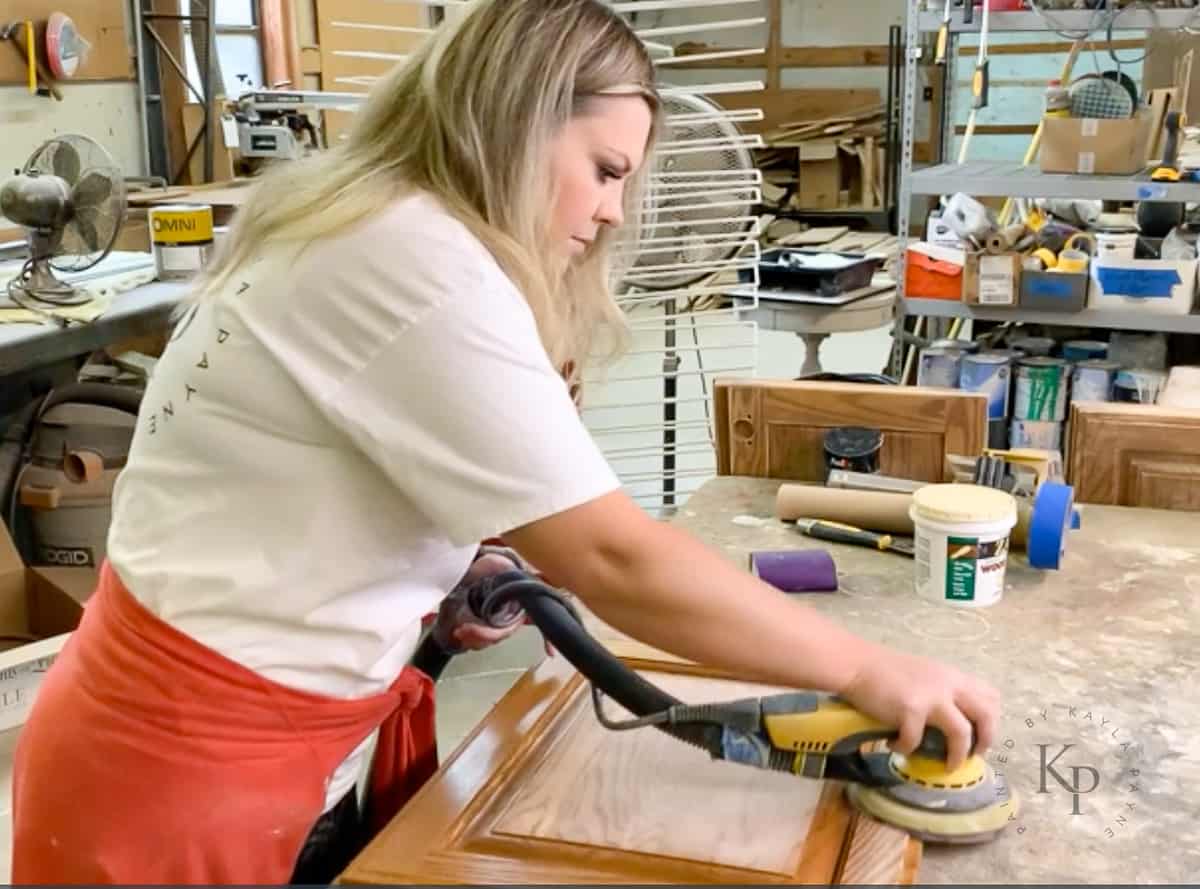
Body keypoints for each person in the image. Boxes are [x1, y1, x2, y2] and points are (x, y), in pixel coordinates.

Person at [11, 0, 1001, 883]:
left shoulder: (360, 221)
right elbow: (613, 556)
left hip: (230, 737)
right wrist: (870, 671)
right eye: (605, 169)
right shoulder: (412, 258)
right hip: (179, 772)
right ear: (516, 123)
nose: (614, 209)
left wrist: (446, 574)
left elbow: (314, 480)